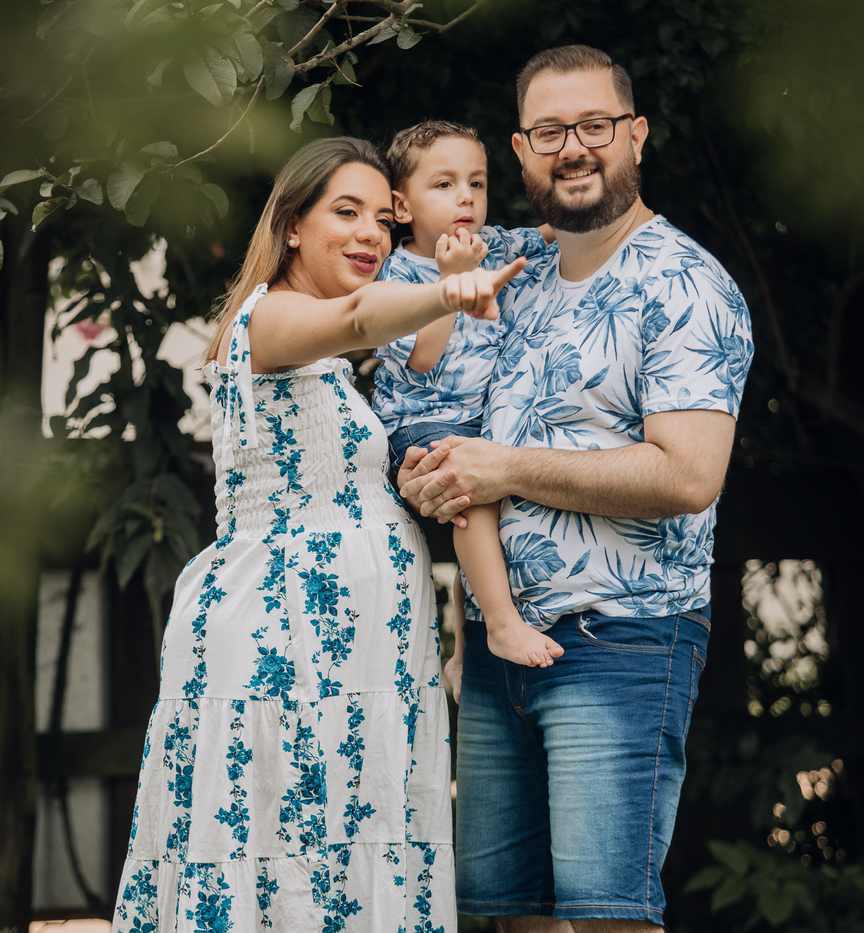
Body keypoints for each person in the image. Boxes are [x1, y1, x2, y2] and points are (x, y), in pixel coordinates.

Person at [111, 136, 524, 933]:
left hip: (355, 665)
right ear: (293, 225)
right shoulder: (270, 318)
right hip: (287, 652)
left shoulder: (326, 365)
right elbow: (362, 316)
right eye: (346, 212)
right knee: (285, 866)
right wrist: (448, 291)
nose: (371, 234)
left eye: (383, 220)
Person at [399, 46, 754, 931]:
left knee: (607, 915)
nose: (574, 148)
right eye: (551, 132)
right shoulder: (512, 269)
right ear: (521, 151)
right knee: (510, 913)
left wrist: (503, 467)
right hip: (495, 650)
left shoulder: (685, 284)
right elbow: (419, 342)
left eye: (594, 125)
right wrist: (426, 470)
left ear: (636, 134)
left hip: (621, 639)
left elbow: (689, 475)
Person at [371, 120, 563, 671]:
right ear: (402, 207)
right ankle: (501, 624)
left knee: (487, 524)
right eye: (444, 184)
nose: (466, 197)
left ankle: (464, 648)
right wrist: (449, 284)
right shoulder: (394, 274)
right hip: (420, 422)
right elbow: (422, 359)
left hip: (480, 419)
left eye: (476, 183)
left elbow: (549, 235)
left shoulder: (491, 245)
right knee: (472, 503)